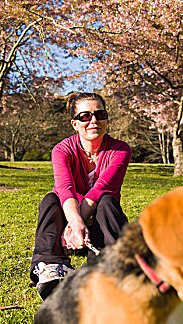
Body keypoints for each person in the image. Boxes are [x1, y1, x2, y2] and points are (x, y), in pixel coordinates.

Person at [30, 92, 132, 300]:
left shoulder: (121, 150)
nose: (94, 120)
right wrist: (74, 222)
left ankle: (107, 268)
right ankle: (51, 267)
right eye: (85, 116)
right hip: (69, 218)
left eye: (100, 114)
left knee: (106, 201)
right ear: (75, 124)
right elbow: (64, 188)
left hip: (102, 222)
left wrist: (76, 224)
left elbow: (102, 187)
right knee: (50, 200)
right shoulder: (62, 150)